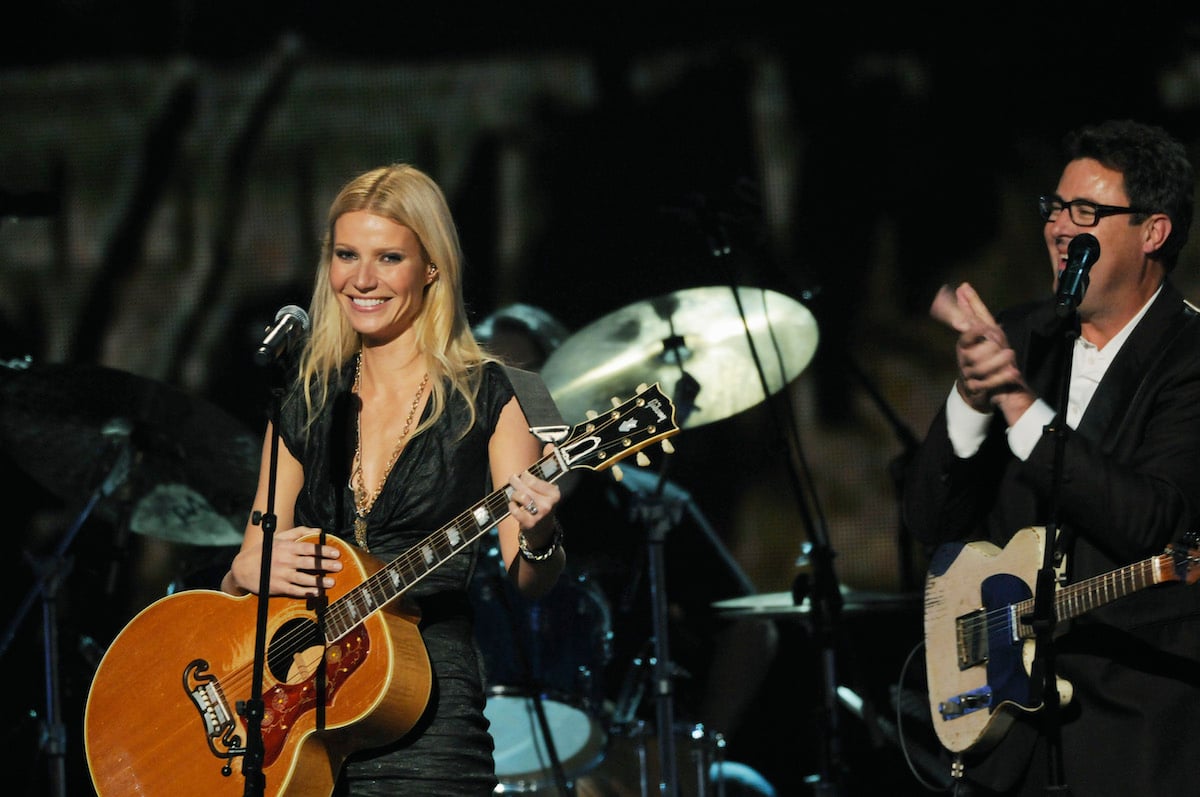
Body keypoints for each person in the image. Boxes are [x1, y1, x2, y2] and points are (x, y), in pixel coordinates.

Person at [219, 163, 567, 796]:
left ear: (430, 267)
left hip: (422, 713)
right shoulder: (303, 402)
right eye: (347, 254)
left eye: (388, 258)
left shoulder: (495, 396)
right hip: (292, 720)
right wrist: (244, 572)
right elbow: (245, 571)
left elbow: (530, 579)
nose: (362, 279)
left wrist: (540, 531)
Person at [901, 118, 1200, 796]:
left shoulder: (1189, 358)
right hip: (1007, 742)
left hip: (1134, 736)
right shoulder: (1020, 336)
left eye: (1086, 211)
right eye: (1055, 208)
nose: (1060, 227)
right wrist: (972, 400)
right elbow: (930, 520)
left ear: (1153, 232)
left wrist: (1015, 401)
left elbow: (1149, 521)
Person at [473, 303, 779, 797]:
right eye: (488, 379)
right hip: (472, 753)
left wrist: (704, 739)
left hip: (619, 756)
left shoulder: (645, 504)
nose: (505, 394)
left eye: (523, 376)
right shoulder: (448, 503)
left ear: (566, 387)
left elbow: (748, 626)